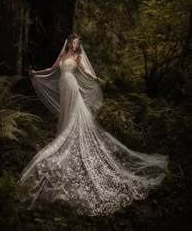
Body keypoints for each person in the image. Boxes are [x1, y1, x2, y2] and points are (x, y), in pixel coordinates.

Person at [20, 34, 169, 216]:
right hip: (63, 85)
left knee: (76, 113)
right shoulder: (62, 56)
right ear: (68, 43)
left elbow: (84, 71)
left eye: (77, 43)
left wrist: (95, 78)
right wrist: (35, 73)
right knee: (67, 112)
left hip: (72, 85)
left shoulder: (77, 57)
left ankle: (73, 133)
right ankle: (66, 130)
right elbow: (51, 69)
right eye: (73, 42)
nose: (75, 45)